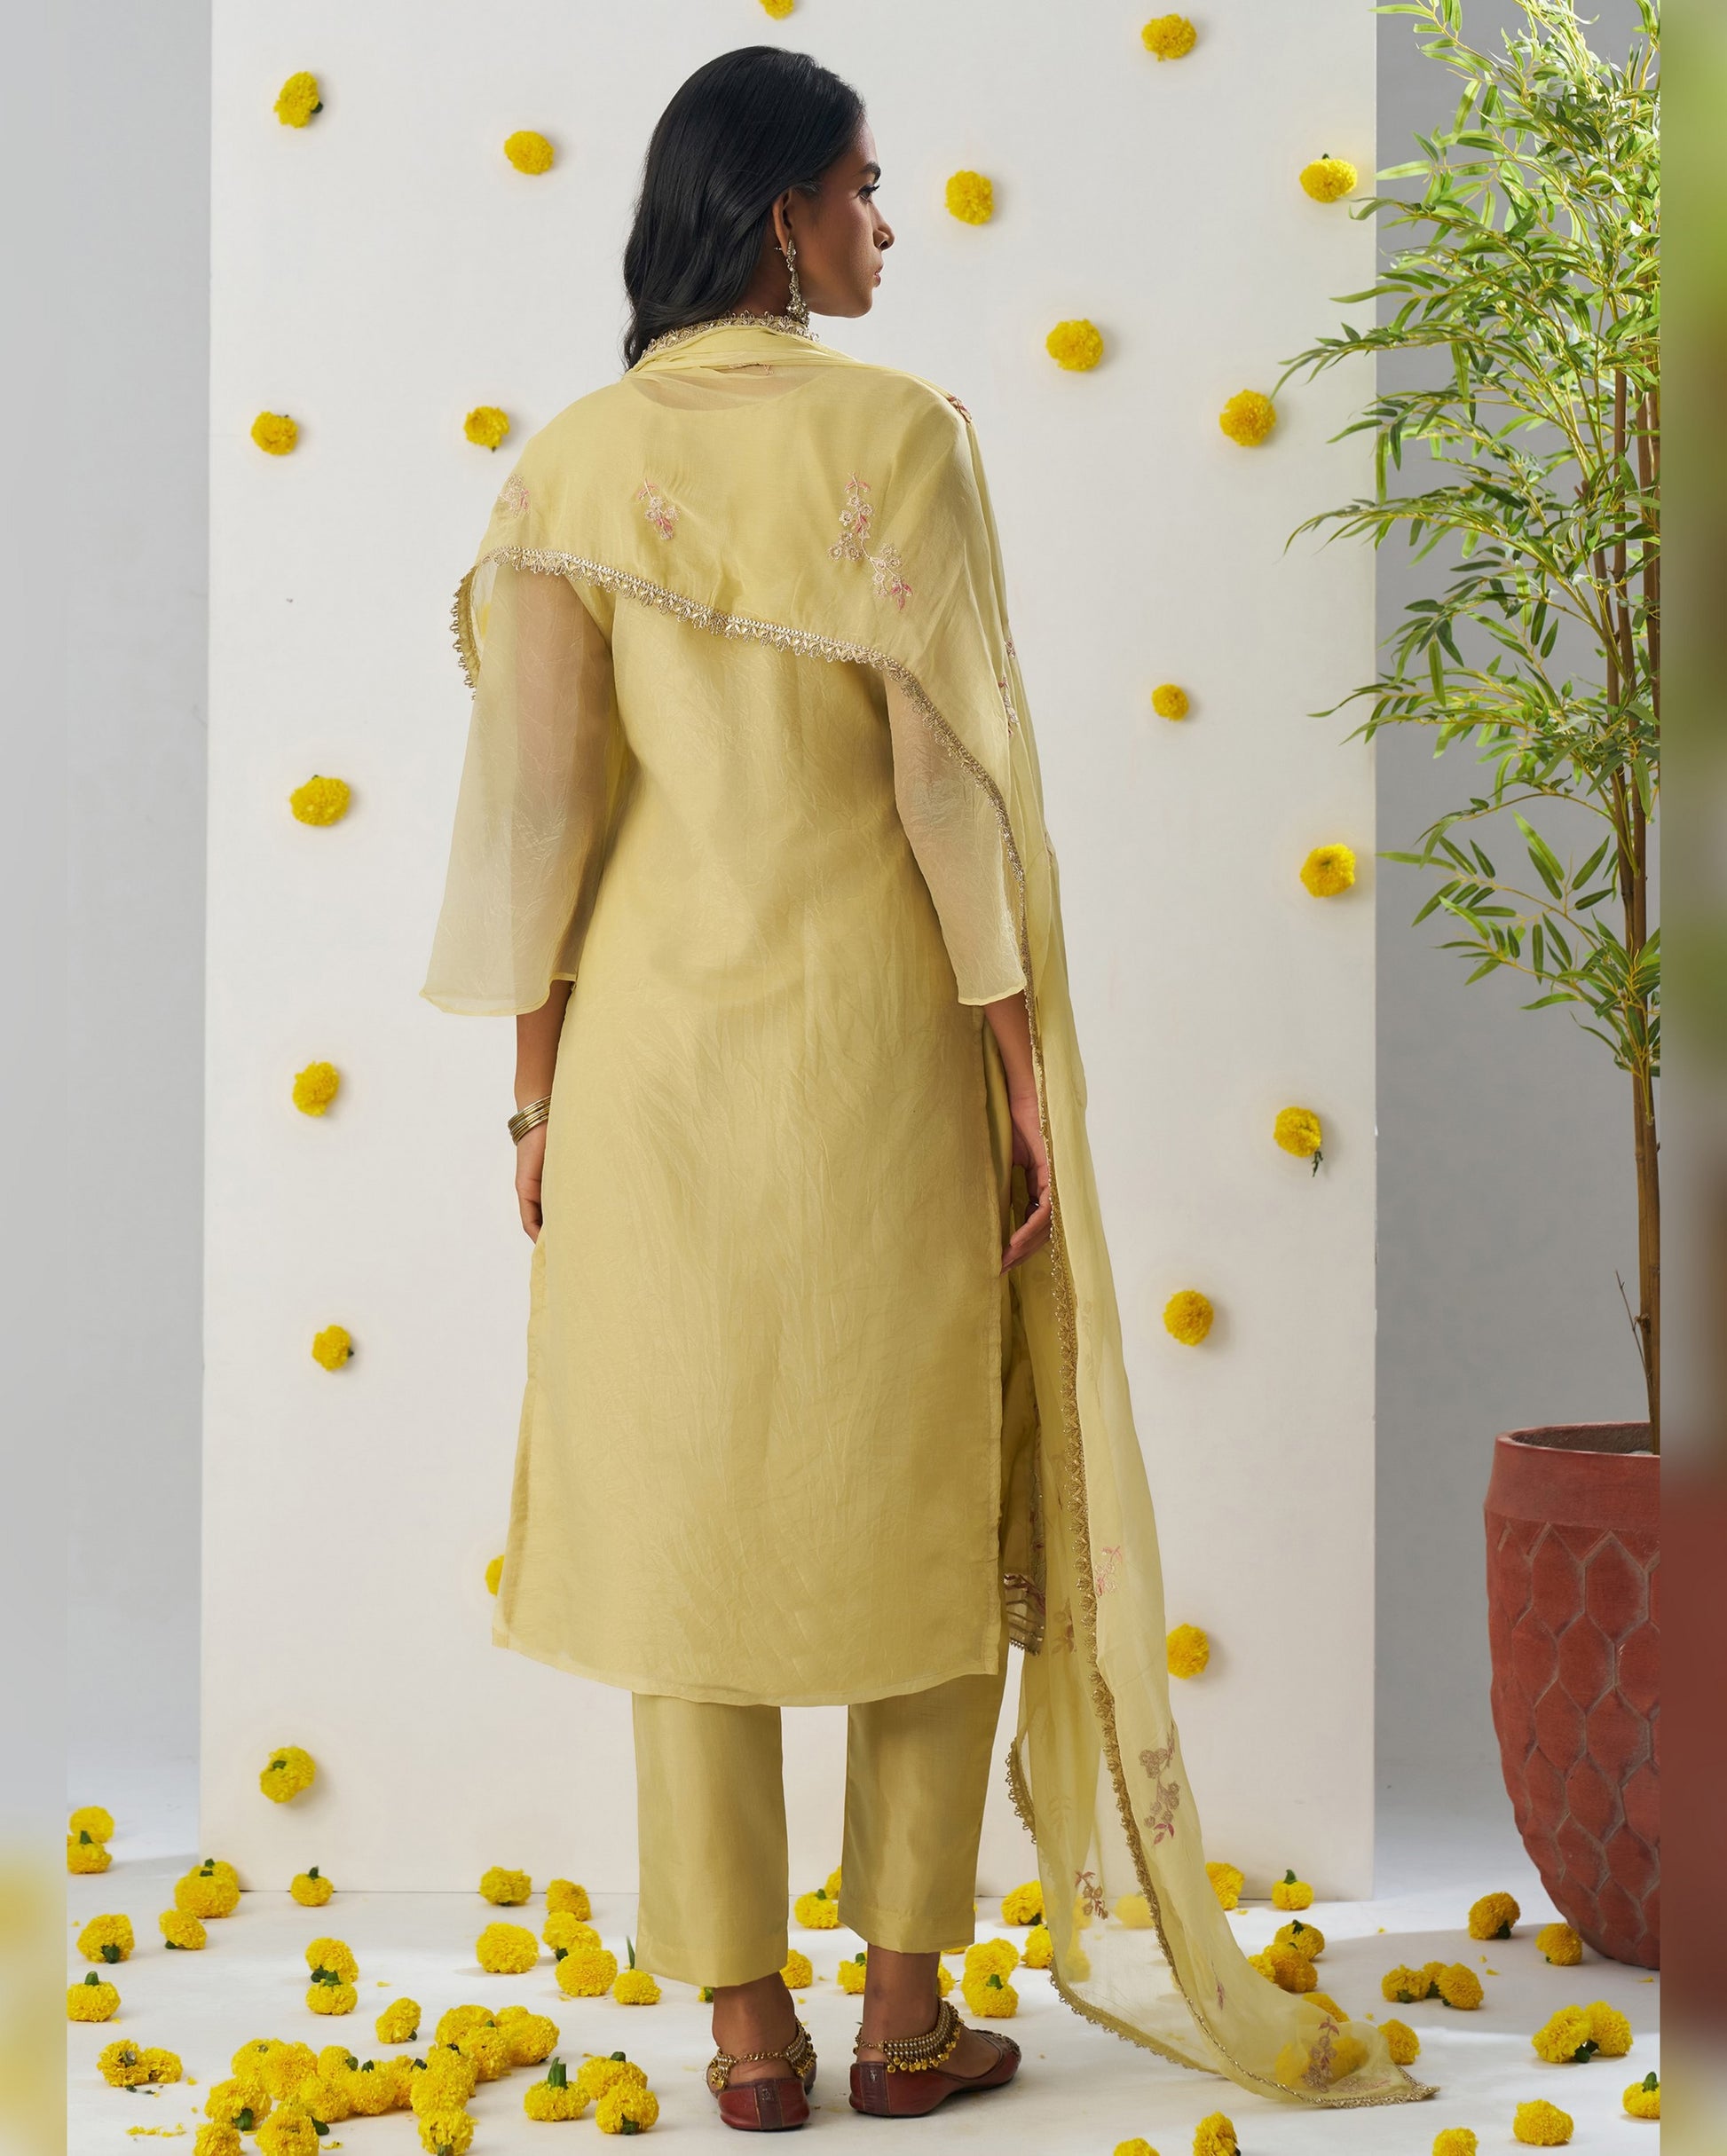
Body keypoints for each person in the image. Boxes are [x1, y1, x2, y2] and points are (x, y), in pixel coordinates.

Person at [424, 42, 1431, 2135]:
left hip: (645, 1073)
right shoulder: (902, 438)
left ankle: (745, 2039)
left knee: (689, 1533)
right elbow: (949, 798)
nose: (887, 226)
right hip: (876, 1049)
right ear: (779, 210)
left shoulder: (566, 466)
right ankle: (901, 2016)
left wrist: (534, 1098)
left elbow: (534, 819)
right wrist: (1025, 1074)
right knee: (921, 1511)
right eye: (864, 189)